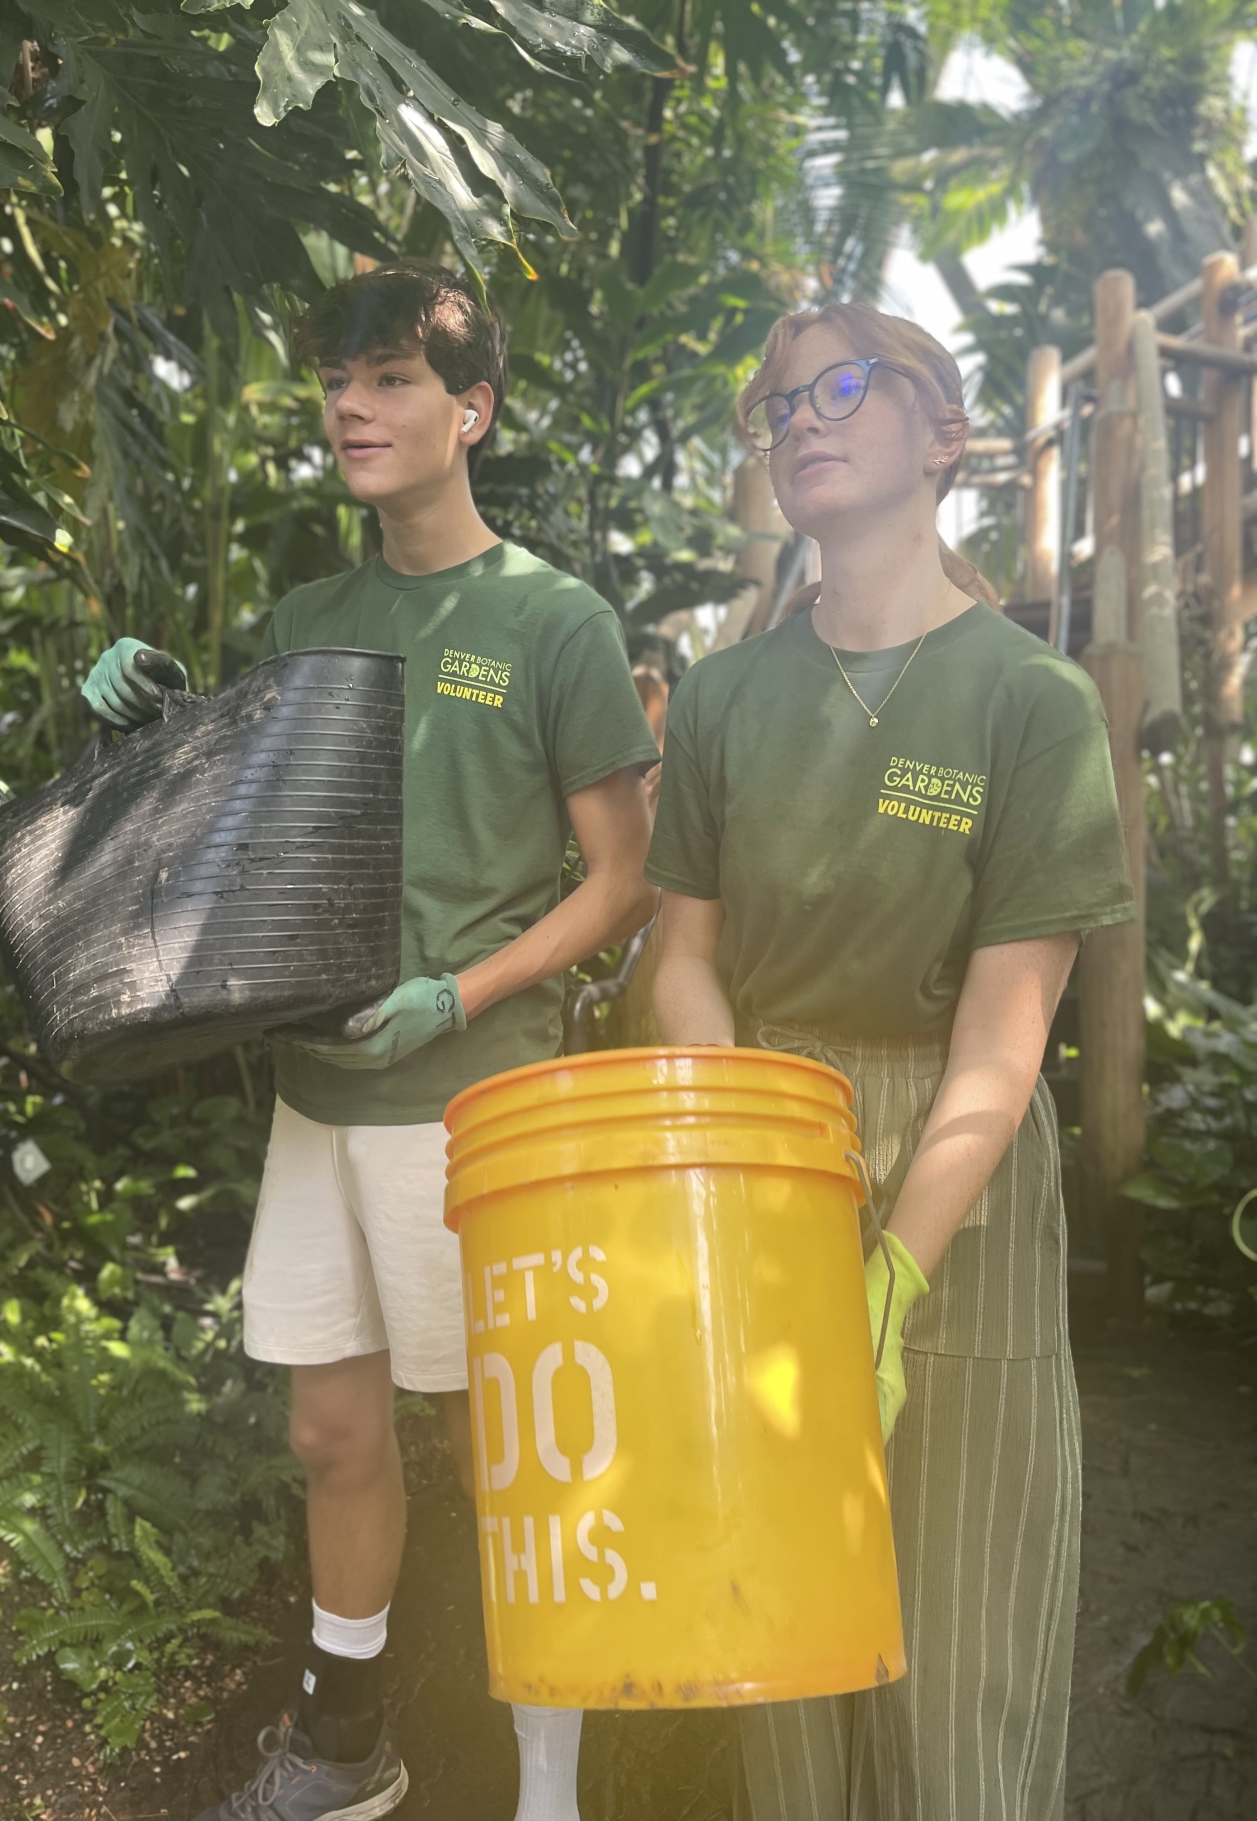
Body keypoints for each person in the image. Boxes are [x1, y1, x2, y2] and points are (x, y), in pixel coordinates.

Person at [83, 262, 661, 1821]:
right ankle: (347, 1753)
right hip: (321, 1095)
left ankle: (549, 1786)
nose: (350, 402)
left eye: (393, 377)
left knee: (512, 1455)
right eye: (339, 376)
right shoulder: (311, 615)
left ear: (470, 412)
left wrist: (456, 993)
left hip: (472, 1102)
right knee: (333, 1428)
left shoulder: (554, 620)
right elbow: (269, 842)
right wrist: (169, 732)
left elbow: (620, 879)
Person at [644, 302, 1135, 1821]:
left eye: (839, 387)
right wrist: (745, 1148)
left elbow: (1004, 1035)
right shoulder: (723, 700)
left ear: (943, 434)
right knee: (789, 1634)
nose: (800, 418)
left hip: (958, 1180)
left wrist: (895, 1271)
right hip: (761, 1140)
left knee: (960, 1644)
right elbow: (677, 957)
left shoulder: (1028, 701)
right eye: (774, 405)